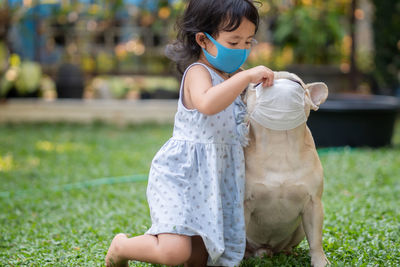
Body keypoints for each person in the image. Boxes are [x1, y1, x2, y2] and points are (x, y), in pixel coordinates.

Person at [105, 0, 274, 266]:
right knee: (174, 253)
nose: (242, 50)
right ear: (203, 40)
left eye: (248, 42)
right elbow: (207, 104)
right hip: (183, 175)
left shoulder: (233, 78)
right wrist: (245, 78)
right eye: (233, 42)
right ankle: (122, 246)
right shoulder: (198, 73)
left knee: (198, 258)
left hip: (214, 179)